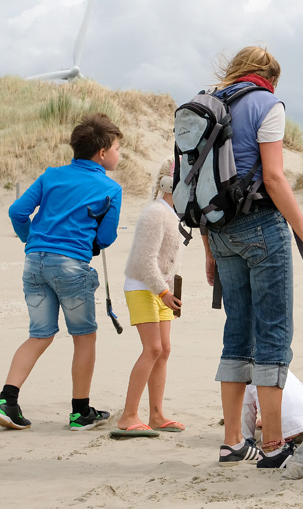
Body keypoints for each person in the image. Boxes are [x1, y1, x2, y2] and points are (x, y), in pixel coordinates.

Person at [201, 46, 303, 469]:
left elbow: (195, 181)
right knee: (273, 332)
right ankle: (274, 444)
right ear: (270, 77)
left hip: (218, 229)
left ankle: (232, 442)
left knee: (236, 331)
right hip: (260, 226)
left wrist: (209, 249)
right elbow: (274, 178)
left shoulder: (205, 104)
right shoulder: (266, 103)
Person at [1, 113, 123, 432]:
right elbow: (106, 238)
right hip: (71, 267)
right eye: (117, 149)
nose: (118, 154)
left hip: (34, 263)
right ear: (102, 153)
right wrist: (91, 241)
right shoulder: (110, 188)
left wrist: (32, 239)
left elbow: (17, 211)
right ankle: (80, 412)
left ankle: (6, 400)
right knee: (84, 337)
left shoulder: (51, 175)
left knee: (39, 334)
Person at [114, 158, 184, 438]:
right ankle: (128, 415)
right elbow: (144, 261)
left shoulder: (174, 214)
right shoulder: (155, 212)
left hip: (161, 289)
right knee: (152, 349)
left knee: (164, 349)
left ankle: (156, 415)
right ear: (170, 183)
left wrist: (168, 291)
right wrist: (164, 291)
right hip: (143, 286)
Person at [242, 371, 303, 446]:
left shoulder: (248, 375)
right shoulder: (284, 368)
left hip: (283, 436)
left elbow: (248, 413)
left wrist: (247, 437)